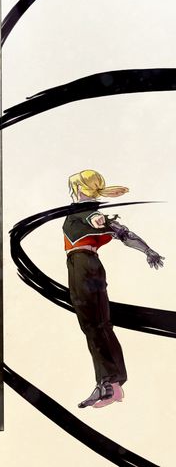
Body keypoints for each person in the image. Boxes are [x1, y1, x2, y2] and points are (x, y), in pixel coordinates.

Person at [63, 169, 164, 409]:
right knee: (101, 324)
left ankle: (107, 384)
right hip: (94, 267)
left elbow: (95, 219)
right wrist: (147, 250)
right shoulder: (90, 212)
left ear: (78, 188)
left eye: (73, 187)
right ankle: (115, 383)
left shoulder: (83, 211)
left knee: (91, 325)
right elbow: (125, 234)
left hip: (82, 267)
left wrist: (100, 220)